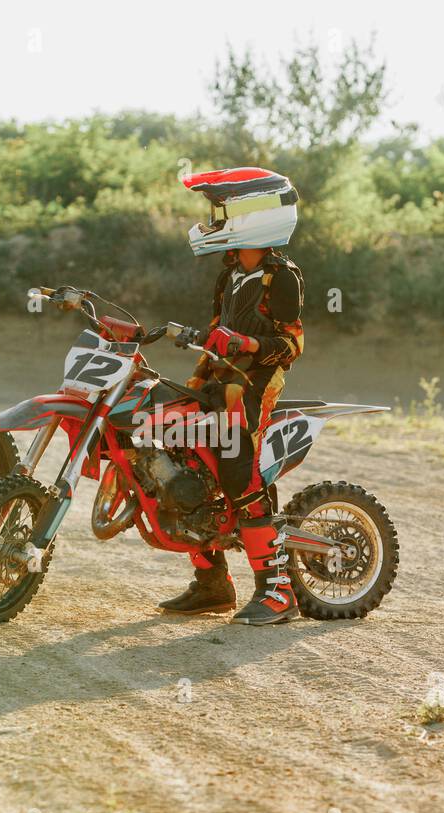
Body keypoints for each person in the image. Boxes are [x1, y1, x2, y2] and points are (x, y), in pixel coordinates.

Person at [159, 168, 305, 626]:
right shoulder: (231, 272)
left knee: (238, 470)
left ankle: (278, 592)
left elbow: (292, 343)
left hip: (255, 383)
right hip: (216, 375)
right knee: (182, 454)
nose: (213, 220)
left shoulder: (281, 277)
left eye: (223, 213)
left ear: (256, 217)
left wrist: (249, 346)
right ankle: (213, 584)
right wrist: (205, 338)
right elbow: (221, 327)